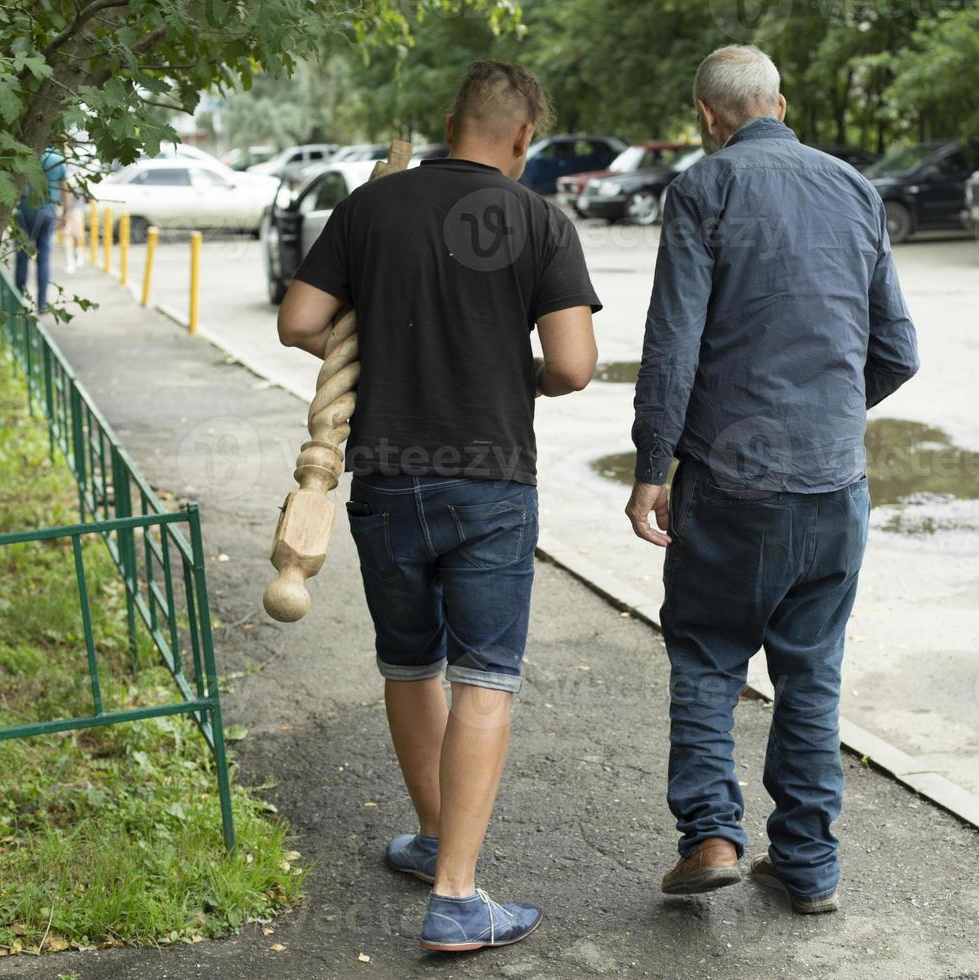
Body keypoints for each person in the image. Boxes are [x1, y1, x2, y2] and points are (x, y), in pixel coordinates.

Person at [276, 61, 600, 952]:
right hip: (490, 481)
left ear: (450, 121)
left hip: (386, 476)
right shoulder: (539, 221)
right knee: (485, 679)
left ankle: (432, 842)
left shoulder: (370, 206)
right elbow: (573, 366)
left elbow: (301, 323)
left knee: (410, 666)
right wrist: (513, 373)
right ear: (524, 141)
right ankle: (457, 895)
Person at [625, 45, 919, 912]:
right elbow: (897, 351)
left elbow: (674, 345)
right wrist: (824, 419)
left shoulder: (703, 189)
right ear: (779, 106)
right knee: (812, 670)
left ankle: (712, 836)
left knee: (709, 653)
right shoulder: (854, 189)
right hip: (835, 486)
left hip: (731, 483)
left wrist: (653, 467)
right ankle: (807, 866)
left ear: (707, 119)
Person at [14, 146, 66, 310]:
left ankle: (18, 300)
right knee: (43, 257)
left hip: (24, 212)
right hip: (48, 213)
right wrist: (67, 214)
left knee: (22, 256)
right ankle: (42, 303)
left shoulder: (26, 156)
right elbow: (65, 188)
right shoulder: (57, 159)